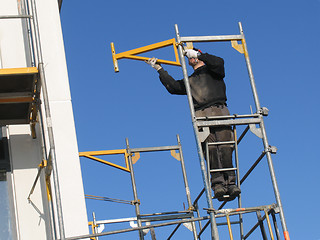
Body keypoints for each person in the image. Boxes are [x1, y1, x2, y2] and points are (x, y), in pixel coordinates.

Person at [146, 48, 241, 201]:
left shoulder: (214, 71)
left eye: (193, 55)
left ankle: (231, 183)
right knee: (210, 150)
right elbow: (174, 87)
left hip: (219, 110)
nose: (191, 58)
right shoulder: (190, 79)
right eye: (190, 56)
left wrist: (198, 54)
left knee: (225, 147)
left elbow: (219, 61)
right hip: (201, 114)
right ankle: (218, 185)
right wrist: (160, 69)